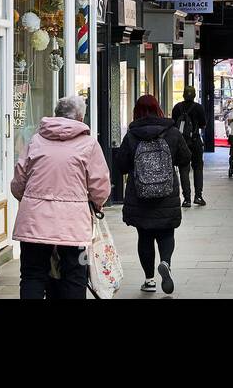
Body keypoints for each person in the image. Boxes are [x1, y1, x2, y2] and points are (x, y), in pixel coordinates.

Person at [10, 94, 111, 299]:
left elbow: (19, 181)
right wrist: (97, 204)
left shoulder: (36, 141)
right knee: (75, 274)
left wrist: (29, 201)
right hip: (73, 226)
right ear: (81, 118)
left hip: (34, 222)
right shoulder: (89, 144)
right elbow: (100, 186)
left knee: (32, 274)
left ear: (56, 115)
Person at [114, 94, 191, 294]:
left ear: (137, 111)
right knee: (167, 232)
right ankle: (165, 262)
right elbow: (185, 158)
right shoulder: (172, 132)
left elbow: (121, 165)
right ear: (158, 109)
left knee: (145, 236)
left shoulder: (132, 135)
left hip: (140, 195)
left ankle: (149, 281)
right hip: (167, 193)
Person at [170, 85, 207, 207]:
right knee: (198, 168)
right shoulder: (199, 108)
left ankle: (186, 199)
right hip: (195, 141)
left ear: (183, 95)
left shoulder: (177, 108)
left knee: (183, 169)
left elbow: (173, 125)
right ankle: (198, 196)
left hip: (182, 143)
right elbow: (203, 124)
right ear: (195, 95)